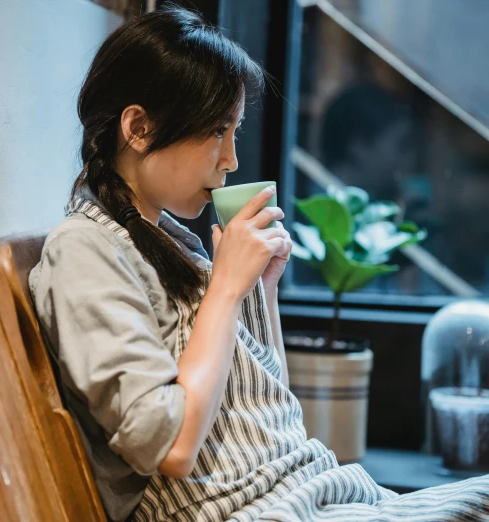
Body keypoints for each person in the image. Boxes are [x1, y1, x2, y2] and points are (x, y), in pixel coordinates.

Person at [29, 7, 489, 522]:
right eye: (216, 133)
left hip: (304, 487)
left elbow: (265, 411)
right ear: (137, 127)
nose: (231, 160)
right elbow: (172, 447)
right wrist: (225, 288)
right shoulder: (84, 250)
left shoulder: (171, 242)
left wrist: (262, 290)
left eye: (236, 133)